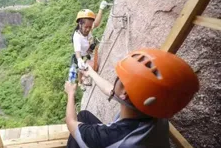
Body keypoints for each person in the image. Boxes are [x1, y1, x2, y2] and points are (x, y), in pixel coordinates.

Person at [64, 49, 199, 148]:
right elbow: (110, 90)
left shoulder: (110, 138)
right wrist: (91, 73)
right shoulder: (157, 111)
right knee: (84, 115)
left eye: (120, 77)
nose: (116, 79)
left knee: (77, 129)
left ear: (124, 93)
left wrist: (70, 93)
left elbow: (70, 122)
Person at [70, 0, 108, 91]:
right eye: (86, 27)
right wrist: (79, 59)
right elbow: (77, 50)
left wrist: (101, 9)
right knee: (81, 69)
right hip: (81, 54)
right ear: (80, 24)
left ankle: (82, 78)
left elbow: (97, 23)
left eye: (89, 27)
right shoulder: (77, 37)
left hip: (87, 51)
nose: (88, 29)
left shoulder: (88, 26)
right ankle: (80, 82)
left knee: (93, 66)